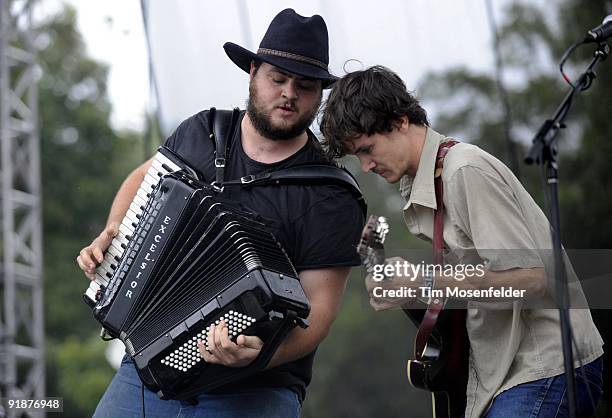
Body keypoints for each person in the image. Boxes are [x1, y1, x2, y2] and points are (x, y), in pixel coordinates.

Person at [76, 9, 364, 418]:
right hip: (147, 365)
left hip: (257, 389)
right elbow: (142, 179)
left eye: (304, 86)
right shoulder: (202, 132)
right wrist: (113, 231)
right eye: (277, 79)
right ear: (252, 73)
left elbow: (319, 312)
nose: (288, 94)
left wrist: (260, 355)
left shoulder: (329, 193)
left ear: (319, 94)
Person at [320, 65, 604, 417]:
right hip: (505, 374)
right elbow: (478, 286)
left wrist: (424, 278)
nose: (365, 165)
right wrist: (404, 289)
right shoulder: (429, 183)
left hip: (545, 364)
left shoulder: (463, 171)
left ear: (400, 120)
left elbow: (530, 280)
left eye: (367, 149)